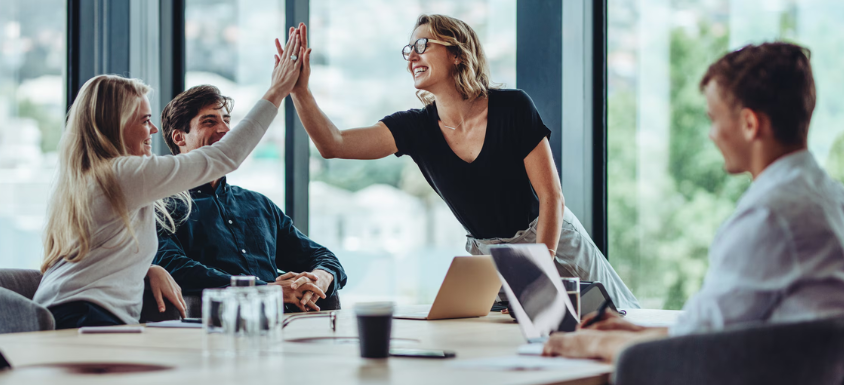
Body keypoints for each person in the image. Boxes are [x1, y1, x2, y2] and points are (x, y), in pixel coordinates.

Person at [287, 15, 640, 309]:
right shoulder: (414, 128)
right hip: (490, 260)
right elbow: (333, 144)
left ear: (457, 54)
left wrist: (538, 266)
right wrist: (300, 91)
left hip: (552, 240)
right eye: (409, 49)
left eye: (423, 45)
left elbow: (552, 197)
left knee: (616, 322)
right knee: (509, 347)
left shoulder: (513, 108)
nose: (412, 56)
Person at [543, 42, 844, 362]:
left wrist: (586, 344)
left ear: (749, 124)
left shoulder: (769, 215)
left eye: (714, 119)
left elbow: (694, 349)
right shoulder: (828, 197)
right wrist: (633, 331)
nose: (712, 134)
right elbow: (713, 329)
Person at [32, 31, 304, 329]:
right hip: (84, 316)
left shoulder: (92, 177)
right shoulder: (121, 173)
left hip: (66, 311)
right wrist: (277, 92)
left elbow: (99, 254)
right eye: (144, 120)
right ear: (115, 125)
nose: (153, 131)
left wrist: (148, 268)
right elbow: (224, 157)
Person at [153, 85, 347, 312]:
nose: (225, 129)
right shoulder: (161, 206)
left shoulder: (258, 204)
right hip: (214, 327)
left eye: (226, 120)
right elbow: (172, 266)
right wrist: (264, 289)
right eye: (209, 121)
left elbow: (321, 256)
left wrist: (320, 278)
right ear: (179, 137)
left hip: (285, 326)